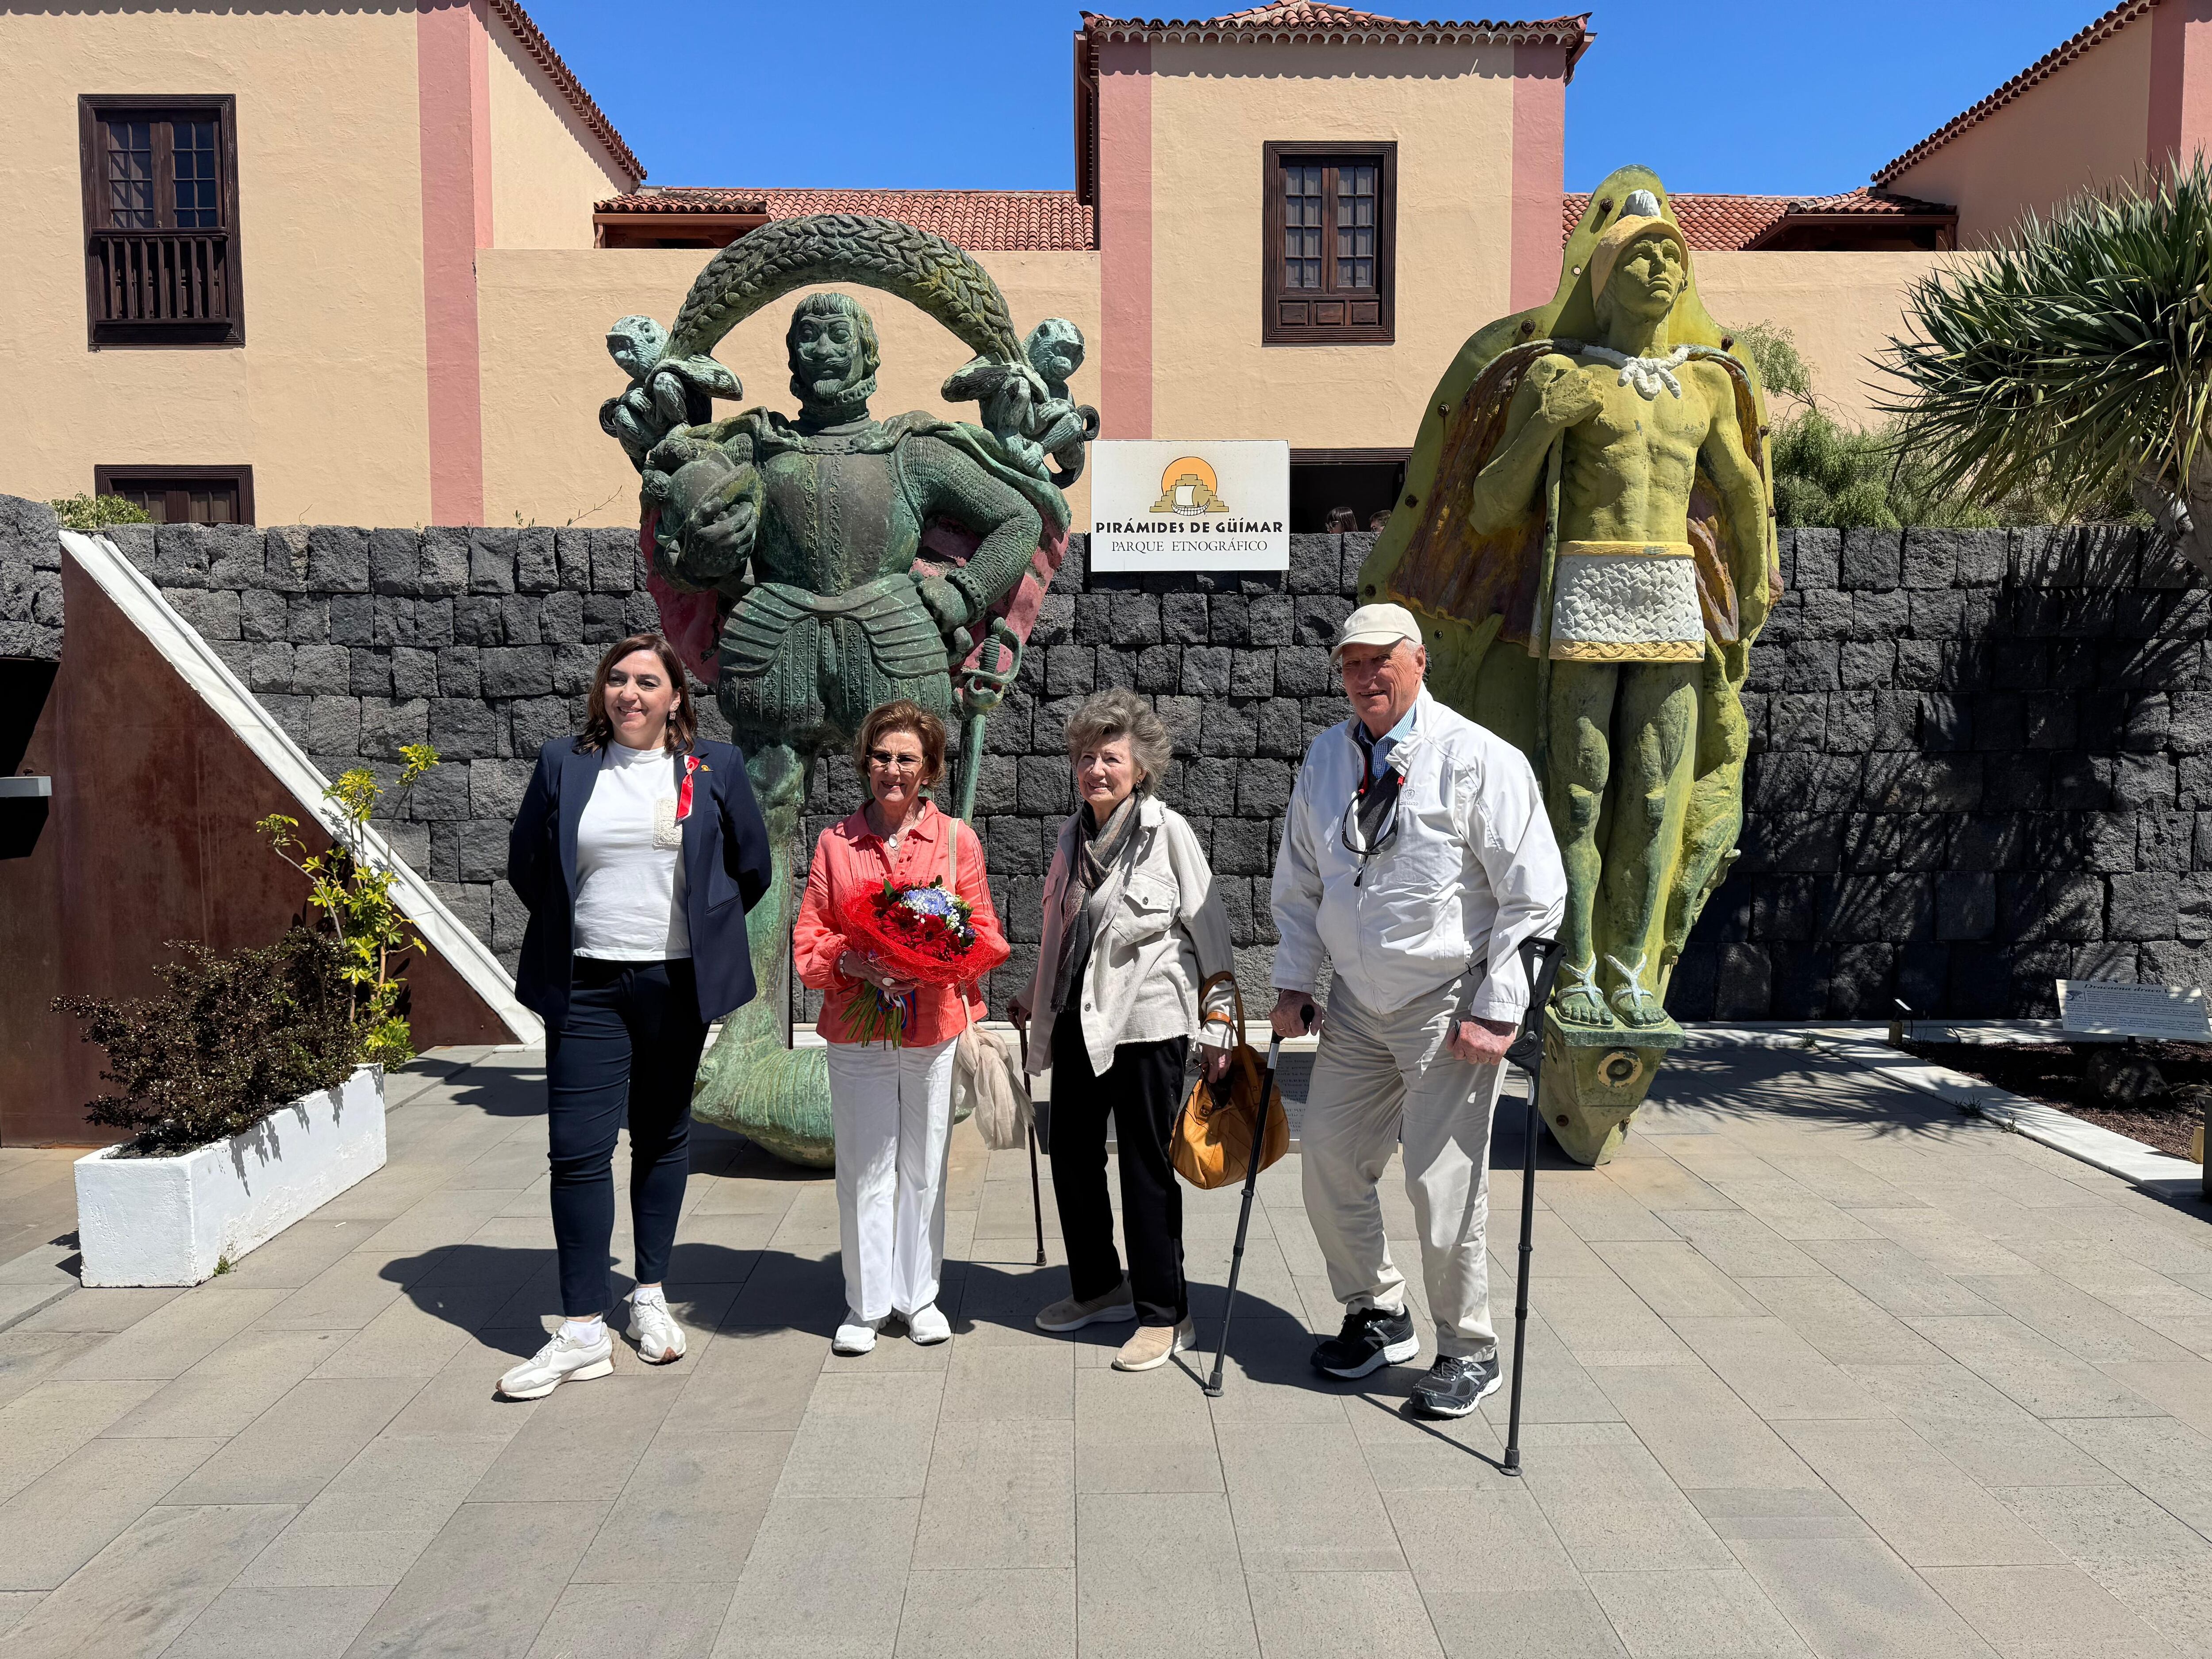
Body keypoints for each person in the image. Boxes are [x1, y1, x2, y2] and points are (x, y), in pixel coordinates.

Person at [1269, 603, 1566, 1417]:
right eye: (1352, 664)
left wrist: (1501, 1008)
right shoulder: (1328, 760)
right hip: (1358, 1005)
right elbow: (1300, 881)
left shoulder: (1478, 758)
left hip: (1448, 1005)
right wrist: (1296, 980)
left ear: (1420, 661)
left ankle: (1471, 1348)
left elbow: (1535, 894)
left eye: (1381, 661)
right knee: (1327, 1156)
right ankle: (1377, 1308)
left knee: (1442, 1182)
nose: (1366, 677)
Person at [499, 633, 775, 1400]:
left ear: (675, 697)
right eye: (616, 679)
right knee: (577, 1149)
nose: (629, 693)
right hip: (585, 984)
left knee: (661, 1137)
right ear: (602, 692)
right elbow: (529, 863)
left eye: (647, 681)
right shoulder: (565, 763)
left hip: (676, 983)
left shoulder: (713, 768)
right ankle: (583, 1327)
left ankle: (649, 1294)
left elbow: (752, 865)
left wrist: (704, 930)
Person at [1008, 689, 1237, 1371]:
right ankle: (1100, 1285)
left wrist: (1220, 1024)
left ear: (1140, 767)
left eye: (1110, 757)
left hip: (1149, 1019)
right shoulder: (1068, 835)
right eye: (1085, 757)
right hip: (1080, 1017)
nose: (1095, 769)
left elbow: (1212, 931)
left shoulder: (1169, 833)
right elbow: (1062, 931)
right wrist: (1033, 992)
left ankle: (1167, 1314)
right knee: (1073, 1153)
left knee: (1145, 1165)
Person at [794, 699, 1009, 1355]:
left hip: (932, 1024)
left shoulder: (955, 841)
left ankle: (919, 1297)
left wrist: (940, 960)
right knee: (864, 1167)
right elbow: (808, 939)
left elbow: (985, 931)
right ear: (866, 761)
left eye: (907, 758)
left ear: (930, 768)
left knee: (925, 1166)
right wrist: (853, 959)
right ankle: (866, 1303)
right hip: (857, 1030)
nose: (893, 769)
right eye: (882, 756)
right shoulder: (836, 843)